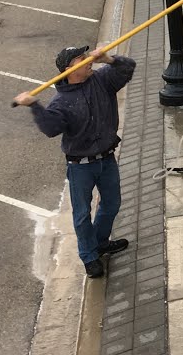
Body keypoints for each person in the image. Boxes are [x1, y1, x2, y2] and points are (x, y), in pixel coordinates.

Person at [14, 45, 136, 277]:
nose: (89, 60)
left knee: (112, 204)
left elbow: (128, 68)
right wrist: (34, 106)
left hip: (107, 158)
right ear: (70, 69)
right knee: (81, 215)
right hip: (81, 166)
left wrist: (108, 59)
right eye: (82, 58)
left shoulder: (102, 80)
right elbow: (51, 128)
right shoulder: (61, 102)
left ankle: (100, 242)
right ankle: (89, 256)